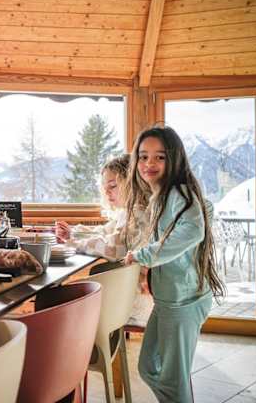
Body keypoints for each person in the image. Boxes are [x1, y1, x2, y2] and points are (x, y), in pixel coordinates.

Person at [123, 125, 225, 403]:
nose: (149, 163)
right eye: (143, 156)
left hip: (183, 301)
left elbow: (193, 230)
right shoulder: (165, 195)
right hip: (169, 299)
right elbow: (205, 210)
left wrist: (143, 255)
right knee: (148, 368)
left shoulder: (178, 192)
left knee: (173, 381)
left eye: (160, 157)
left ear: (174, 159)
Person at [56, 154, 153, 326]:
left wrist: (74, 243)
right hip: (132, 294)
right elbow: (104, 231)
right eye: (104, 187)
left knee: (58, 298)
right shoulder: (128, 212)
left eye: (113, 186)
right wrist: (74, 233)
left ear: (131, 183)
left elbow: (113, 248)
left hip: (135, 301)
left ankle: (81, 339)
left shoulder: (137, 214)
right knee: (72, 290)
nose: (107, 192)